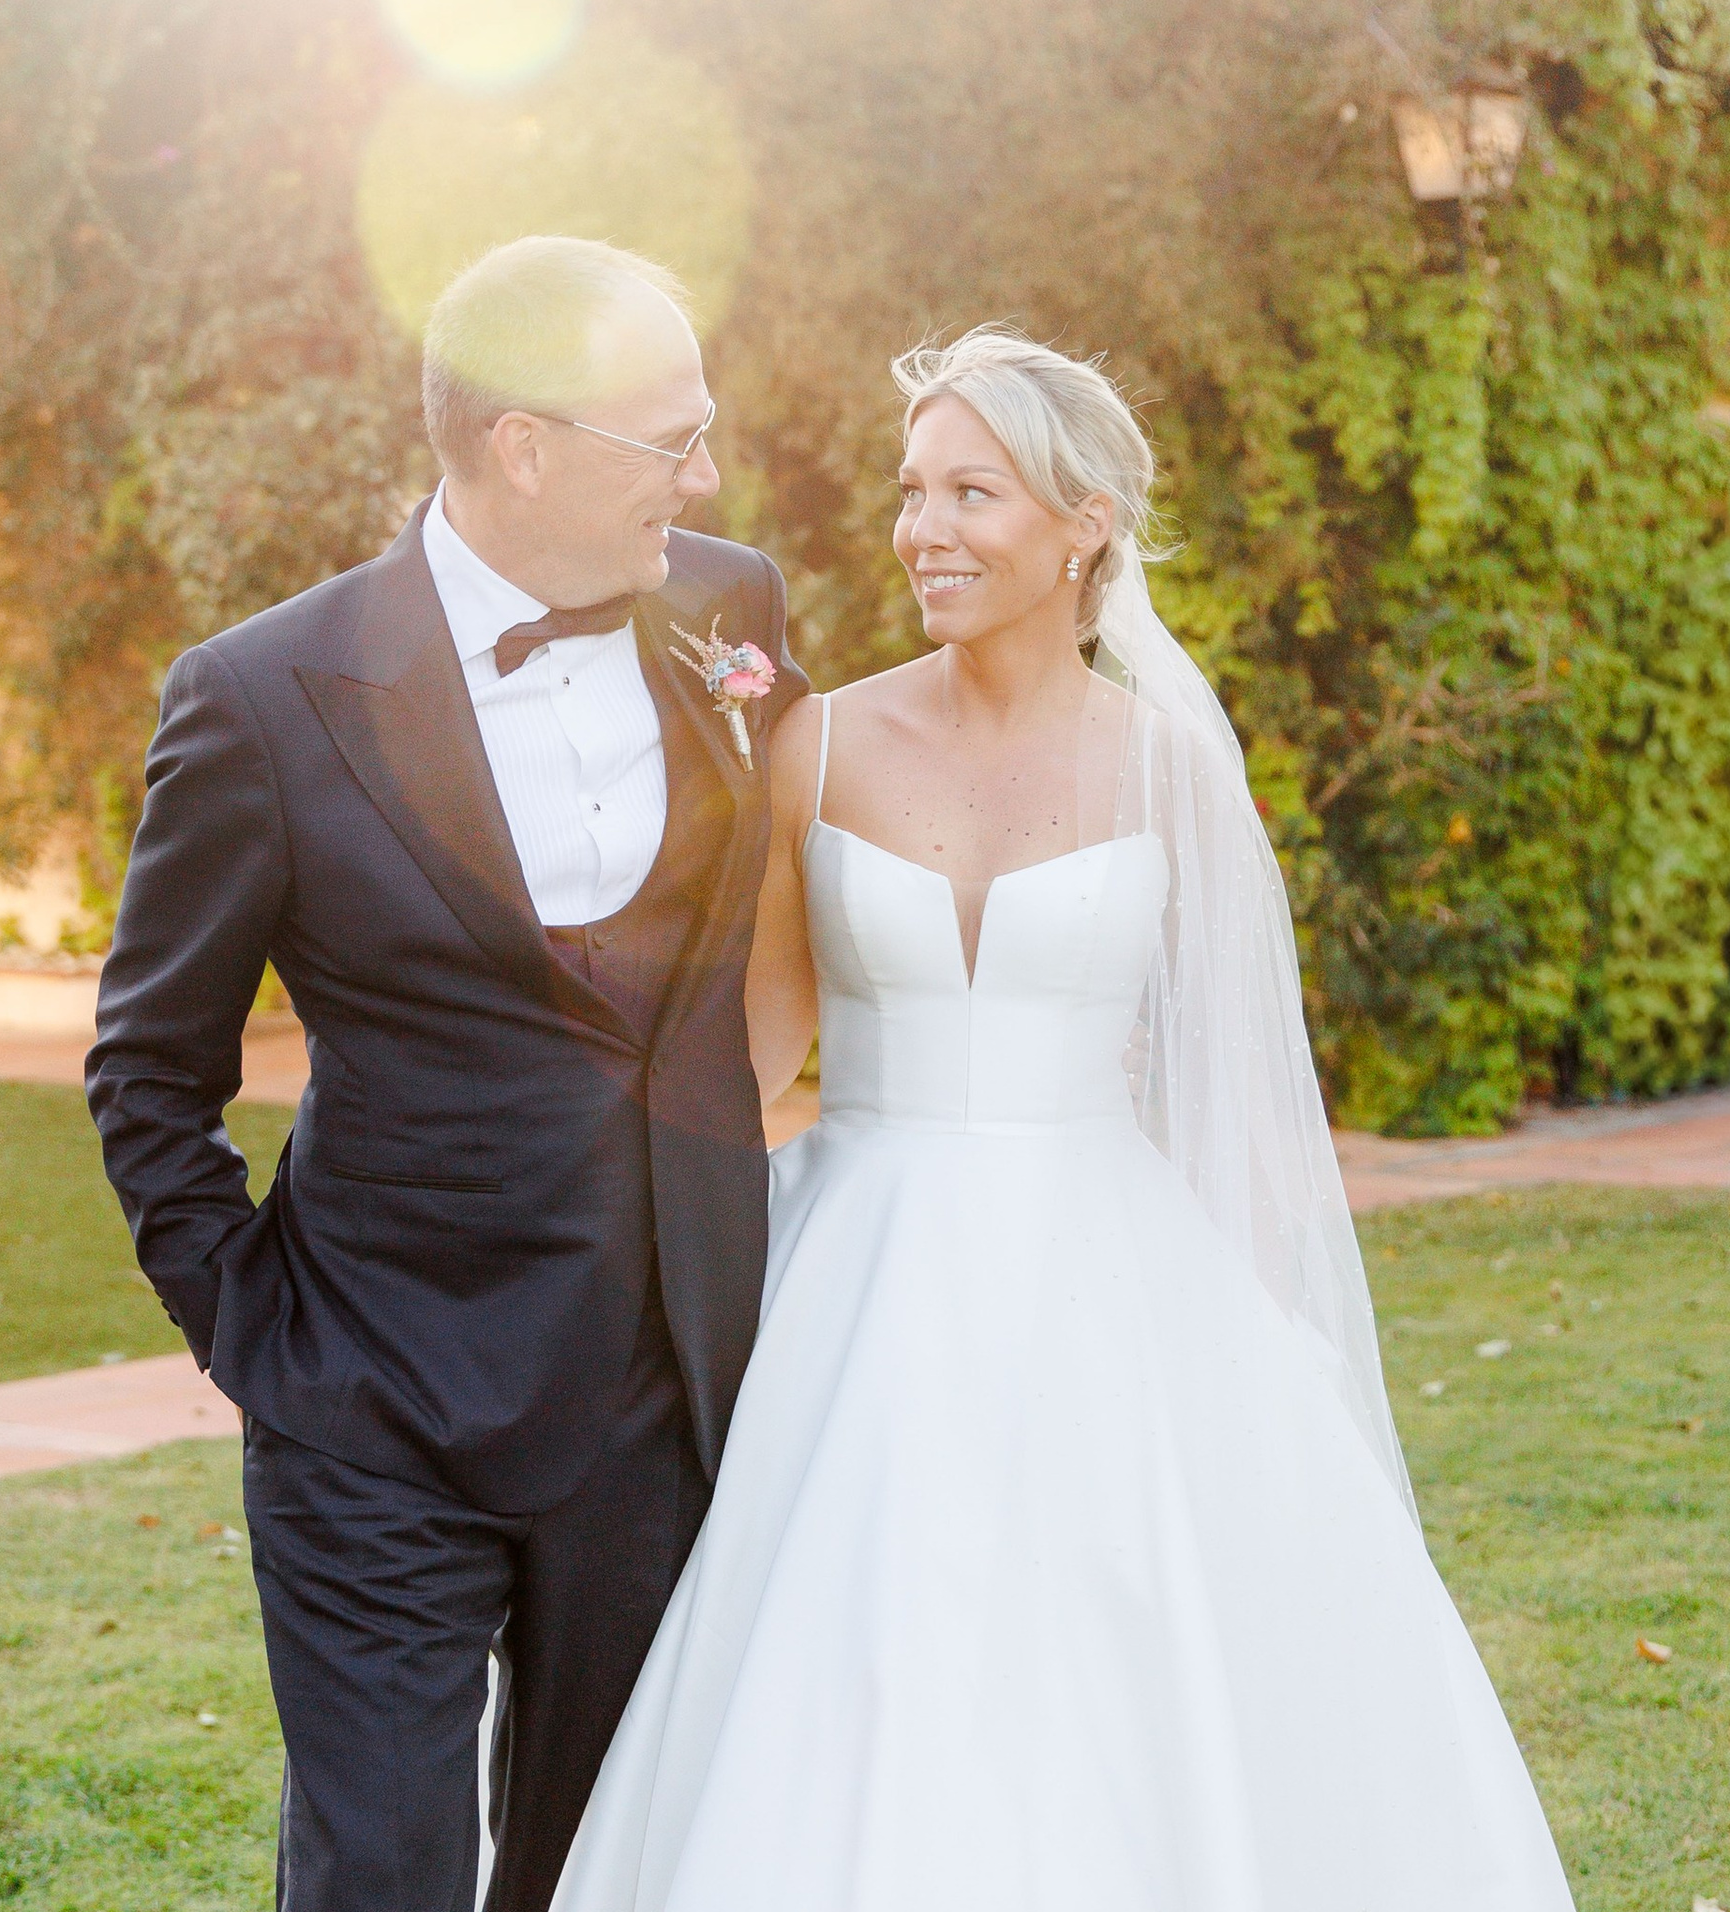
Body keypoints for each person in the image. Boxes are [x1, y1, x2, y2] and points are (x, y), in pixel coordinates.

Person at [551, 326, 1575, 1911]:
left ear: (1083, 521)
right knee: (845, 1647)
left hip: (1109, 1277)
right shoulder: (815, 742)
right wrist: (620, 1240)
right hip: (857, 1273)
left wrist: (1264, 1343)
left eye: (973, 491)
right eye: (911, 492)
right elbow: (760, 1036)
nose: (923, 531)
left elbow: (1217, 1080)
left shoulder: (1170, 770)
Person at [85, 235, 805, 1912]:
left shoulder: (733, 609)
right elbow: (149, 1067)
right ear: (522, 445)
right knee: (380, 1875)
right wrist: (258, 1330)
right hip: (375, 1404)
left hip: (658, 1384)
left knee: (600, 1863)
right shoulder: (265, 697)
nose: (703, 475)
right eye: (668, 439)